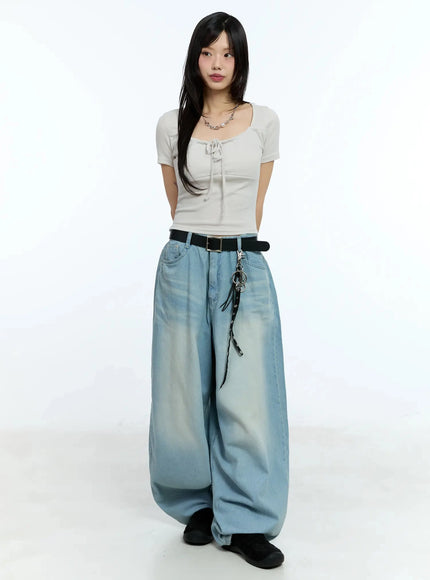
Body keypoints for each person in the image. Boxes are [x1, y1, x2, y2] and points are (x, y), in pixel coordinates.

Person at [148, 12, 289, 570]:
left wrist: (231, 252)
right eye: (208, 52)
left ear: (240, 60)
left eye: (227, 53)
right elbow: (177, 202)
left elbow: (258, 204)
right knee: (183, 393)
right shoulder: (171, 125)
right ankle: (199, 506)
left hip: (242, 263)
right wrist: (200, 251)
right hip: (184, 259)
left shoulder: (264, 120)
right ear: (195, 57)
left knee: (247, 396)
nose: (217, 63)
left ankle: (247, 519)